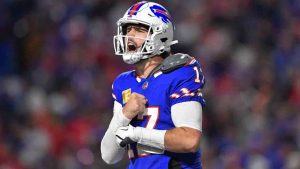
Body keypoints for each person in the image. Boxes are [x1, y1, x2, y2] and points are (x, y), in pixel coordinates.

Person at [101, 1, 205, 169]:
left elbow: (189, 140)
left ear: (161, 36)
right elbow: (108, 155)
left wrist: (136, 134)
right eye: (128, 29)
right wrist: (124, 115)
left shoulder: (180, 73)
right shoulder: (123, 82)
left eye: (139, 30)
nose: (130, 36)